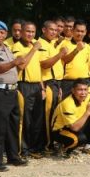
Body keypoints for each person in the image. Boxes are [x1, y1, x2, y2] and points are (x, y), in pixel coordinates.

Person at [0, 20, 31, 170]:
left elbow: (17, 66)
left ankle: (13, 156)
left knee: (13, 126)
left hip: (12, 90)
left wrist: (19, 62)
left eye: (2, 32)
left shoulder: (7, 48)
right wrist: (14, 63)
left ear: (6, 34)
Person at [12, 21, 46, 159]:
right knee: (24, 118)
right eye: (27, 31)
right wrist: (33, 50)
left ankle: (34, 147)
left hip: (36, 86)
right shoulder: (17, 46)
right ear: (21, 32)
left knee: (37, 118)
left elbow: (38, 69)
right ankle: (22, 148)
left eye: (32, 32)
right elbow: (21, 65)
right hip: (23, 85)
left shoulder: (35, 46)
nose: (30, 34)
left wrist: (42, 87)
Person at [37, 20, 67, 151]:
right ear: (44, 30)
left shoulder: (53, 44)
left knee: (55, 114)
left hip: (56, 82)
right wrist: (60, 54)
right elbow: (44, 64)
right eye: (51, 29)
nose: (54, 32)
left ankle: (53, 141)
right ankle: (46, 144)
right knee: (47, 115)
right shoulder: (40, 44)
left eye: (56, 30)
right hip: (47, 83)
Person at [51, 80, 90, 156]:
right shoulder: (67, 104)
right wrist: (88, 112)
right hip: (60, 130)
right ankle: (63, 149)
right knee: (79, 139)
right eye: (80, 90)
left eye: (85, 90)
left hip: (76, 123)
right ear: (73, 90)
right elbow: (74, 128)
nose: (83, 93)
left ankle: (88, 147)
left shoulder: (87, 97)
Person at [60, 19, 90, 97]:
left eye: (82, 31)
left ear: (85, 32)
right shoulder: (64, 43)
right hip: (68, 82)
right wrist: (77, 50)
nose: (80, 33)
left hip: (85, 81)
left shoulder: (88, 47)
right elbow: (65, 60)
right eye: (77, 31)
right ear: (72, 31)